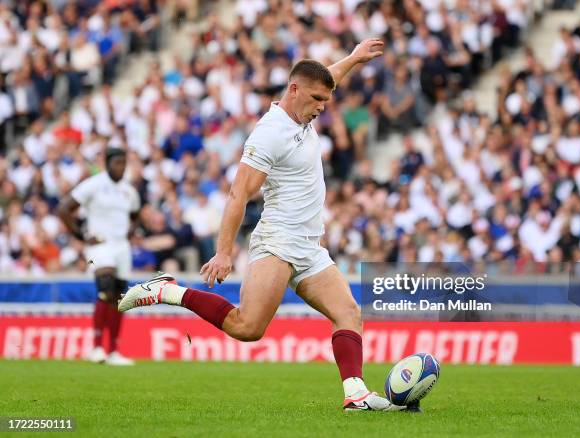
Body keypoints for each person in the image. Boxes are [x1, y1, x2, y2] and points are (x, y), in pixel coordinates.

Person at [119, 40, 410, 411]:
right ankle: (168, 291)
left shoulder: (305, 108)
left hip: (309, 245)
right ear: (294, 91)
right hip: (277, 241)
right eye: (317, 99)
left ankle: (355, 395)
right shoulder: (270, 133)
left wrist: (352, 59)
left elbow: (326, 79)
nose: (323, 107)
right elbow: (239, 192)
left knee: (349, 313)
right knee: (247, 328)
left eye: (326, 100)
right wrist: (223, 252)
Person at [59, 148, 140, 366]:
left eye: (124, 163)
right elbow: (65, 208)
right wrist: (81, 235)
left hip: (121, 247)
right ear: (107, 164)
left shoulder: (128, 191)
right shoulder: (93, 184)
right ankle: (96, 347)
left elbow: (135, 215)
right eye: (117, 163)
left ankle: (113, 351)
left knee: (119, 298)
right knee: (105, 288)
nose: (121, 168)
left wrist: (129, 232)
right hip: (99, 246)